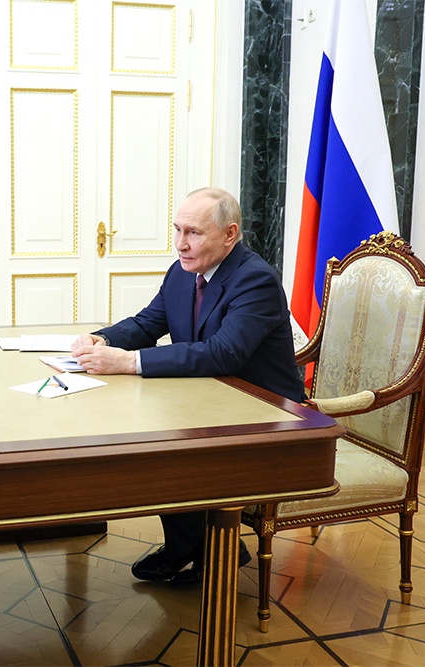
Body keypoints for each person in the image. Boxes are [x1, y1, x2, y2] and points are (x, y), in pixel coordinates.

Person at [70, 187, 304, 584]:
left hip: (263, 414)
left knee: (164, 448)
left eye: (193, 232)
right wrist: (102, 339)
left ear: (230, 234)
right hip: (208, 401)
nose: (180, 243)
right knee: (151, 436)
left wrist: (130, 362)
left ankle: (204, 546)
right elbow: (147, 323)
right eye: (177, 230)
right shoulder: (183, 271)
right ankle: (203, 544)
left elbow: (223, 353)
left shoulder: (256, 280)